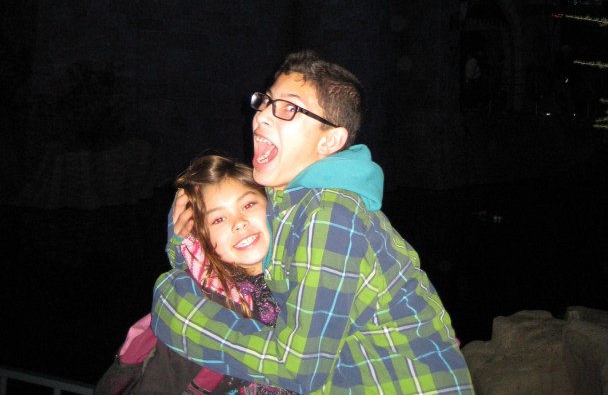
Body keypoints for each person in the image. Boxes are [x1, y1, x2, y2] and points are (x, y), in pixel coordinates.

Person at [152, 50, 474, 393]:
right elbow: (241, 282)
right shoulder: (287, 205)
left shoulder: (331, 215)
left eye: (288, 108)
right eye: (265, 101)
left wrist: (175, 310)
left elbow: (296, 368)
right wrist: (186, 241)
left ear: (329, 140)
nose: (261, 118)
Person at [95, 155, 295, 395]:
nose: (239, 223)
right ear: (203, 240)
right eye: (219, 219)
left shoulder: (307, 272)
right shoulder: (203, 302)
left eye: (248, 205)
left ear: (273, 205)